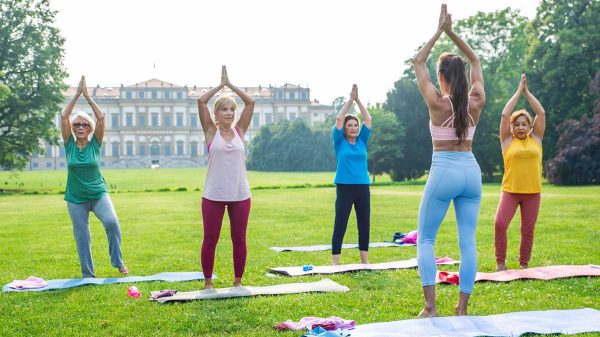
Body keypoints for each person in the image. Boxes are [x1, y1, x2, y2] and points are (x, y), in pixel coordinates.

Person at [412, 4, 485, 317]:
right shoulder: (477, 99)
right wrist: (453, 33)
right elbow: (475, 59)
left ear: (441, 77)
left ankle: (430, 307)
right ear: (463, 76)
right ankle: (462, 308)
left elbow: (418, 60)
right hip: (471, 170)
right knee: (467, 243)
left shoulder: (437, 102)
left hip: (444, 170)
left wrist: (440, 31)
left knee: (426, 239)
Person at [60, 75, 128, 278]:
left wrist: (88, 97)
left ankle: (118, 262)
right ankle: (88, 274)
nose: (80, 127)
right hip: (75, 198)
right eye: (77, 125)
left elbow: (101, 118)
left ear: (90, 129)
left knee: (112, 223)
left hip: (98, 194)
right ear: (73, 129)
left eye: (84, 125)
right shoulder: (69, 144)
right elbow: (64, 116)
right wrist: (76, 96)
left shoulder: (96, 143)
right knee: (82, 235)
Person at [198, 66, 255, 288]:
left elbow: (250, 103)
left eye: (232, 109)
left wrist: (231, 87)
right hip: (213, 194)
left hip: (240, 194)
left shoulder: (240, 131)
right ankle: (208, 282)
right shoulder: (211, 132)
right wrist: (219, 87)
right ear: (217, 114)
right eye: (224, 109)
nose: (229, 113)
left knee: (239, 239)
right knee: (210, 239)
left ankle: (238, 281)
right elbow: (201, 102)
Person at [495, 74, 545, 271]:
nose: (521, 127)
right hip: (511, 190)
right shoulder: (507, 141)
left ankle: (524, 264)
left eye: (524, 124)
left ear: (530, 126)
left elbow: (541, 113)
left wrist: (527, 93)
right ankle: (501, 263)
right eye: (517, 124)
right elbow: (505, 115)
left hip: (533, 192)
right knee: (500, 224)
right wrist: (518, 92)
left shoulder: (536, 138)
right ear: (512, 128)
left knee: (528, 230)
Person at [331, 84, 372, 265]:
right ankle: (335, 261)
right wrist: (350, 100)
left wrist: (359, 100)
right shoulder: (339, 142)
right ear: (345, 129)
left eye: (356, 125)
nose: (354, 128)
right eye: (350, 125)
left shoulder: (362, 140)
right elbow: (340, 118)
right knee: (341, 223)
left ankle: (364, 261)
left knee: (364, 224)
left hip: (363, 187)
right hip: (345, 187)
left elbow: (368, 119)